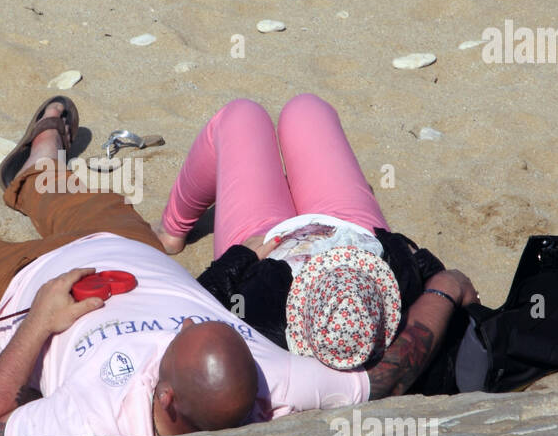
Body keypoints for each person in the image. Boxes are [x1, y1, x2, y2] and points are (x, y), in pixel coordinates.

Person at [0, 97, 470, 436]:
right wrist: (443, 289)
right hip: (134, 257)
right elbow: (387, 377)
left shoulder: (100, 412)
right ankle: (35, 172)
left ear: (165, 397)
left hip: (19, 293)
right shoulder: (273, 381)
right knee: (91, 200)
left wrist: (42, 321)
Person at [154, 95, 476, 385]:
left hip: (266, 242)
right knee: (306, 108)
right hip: (351, 225)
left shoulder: (260, 316)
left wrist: (240, 256)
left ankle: (172, 230)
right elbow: (416, 261)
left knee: (241, 116)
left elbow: (196, 302)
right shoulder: (394, 296)